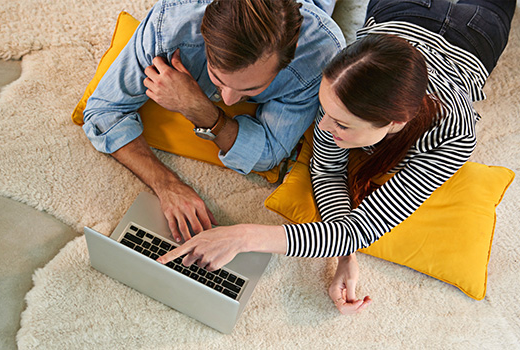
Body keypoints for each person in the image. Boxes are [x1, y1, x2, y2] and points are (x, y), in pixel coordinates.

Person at [158, 0, 516, 315]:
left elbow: (362, 228)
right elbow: (327, 169)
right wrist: (345, 251)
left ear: (395, 123)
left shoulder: (451, 136)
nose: (323, 129)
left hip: (476, 25)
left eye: (341, 124)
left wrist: (242, 237)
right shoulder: (342, 82)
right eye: (325, 110)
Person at [82, 0, 345, 242]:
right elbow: (103, 112)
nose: (229, 101)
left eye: (251, 89)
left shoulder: (320, 54)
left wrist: (199, 109)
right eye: (218, 79)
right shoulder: (171, 25)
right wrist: (167, 184)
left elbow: (268, 153)